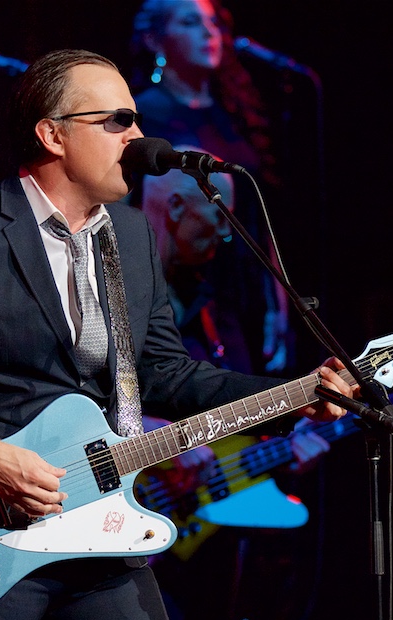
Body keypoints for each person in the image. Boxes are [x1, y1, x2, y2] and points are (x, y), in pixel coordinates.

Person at [0, 48, 354, 620]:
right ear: (53, 135)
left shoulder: (131, 237)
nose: (138, 136)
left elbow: (164, 373)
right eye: (117, 121)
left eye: (134, 121)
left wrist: (293, 397)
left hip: (102, 531)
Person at [140, 163, 331, 620]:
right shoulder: (112, 295)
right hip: (129, 524)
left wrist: (289, 443)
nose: (227, 233)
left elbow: (232, 420)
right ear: (178, 207)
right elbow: (69, 396)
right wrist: (160, 438)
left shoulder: (213, 304)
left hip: (208, 546)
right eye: (220, 215)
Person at [131, 0, 292, 375]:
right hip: (185, 287)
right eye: (190, 22)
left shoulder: (234, 113)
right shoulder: (145, 113)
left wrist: (278, 299)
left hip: (242, 279)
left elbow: (257, 215)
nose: (209, 33)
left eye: (213, 22)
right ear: (156, 39)